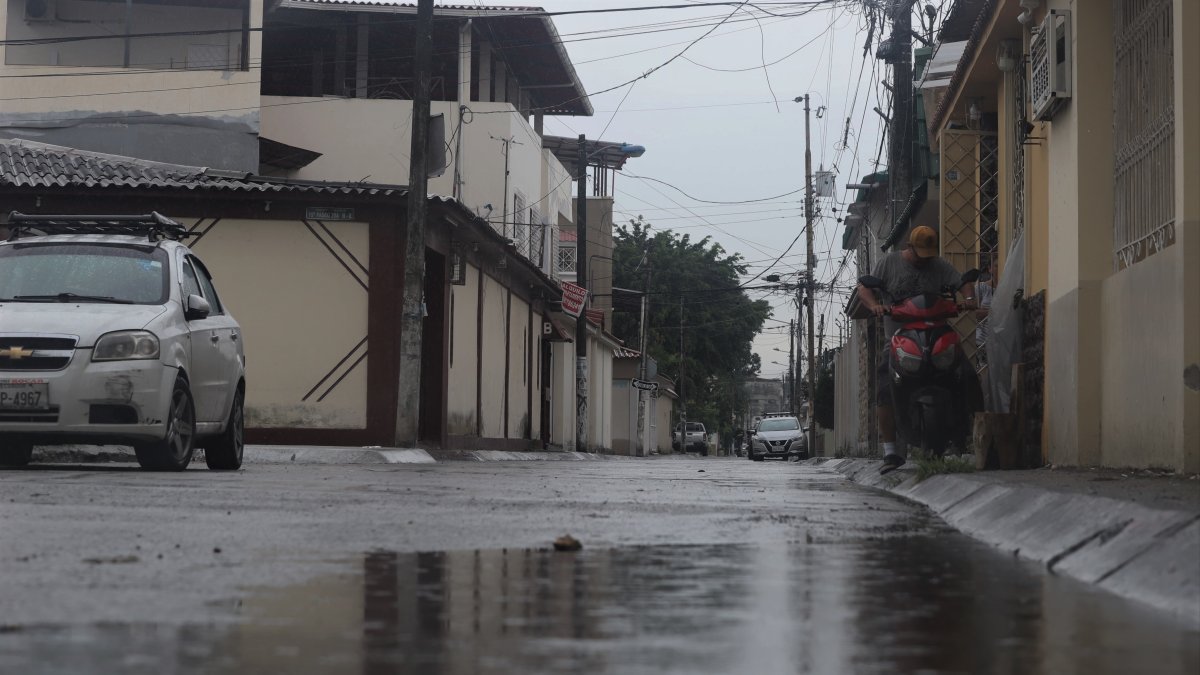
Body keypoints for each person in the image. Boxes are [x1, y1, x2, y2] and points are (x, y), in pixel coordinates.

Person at [855, 225, 977, 475]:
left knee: (966, 374)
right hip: (900, 339)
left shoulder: (939, 265)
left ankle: (969, 433)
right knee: (884, 388)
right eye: (921, 254)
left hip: (936, 335)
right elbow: (864, 288)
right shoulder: (889, 264)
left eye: (928, 255)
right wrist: (875, 305)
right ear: (909, 247)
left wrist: (968, 299)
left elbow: (962, 282)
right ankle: (890, 451)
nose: (925, 260)